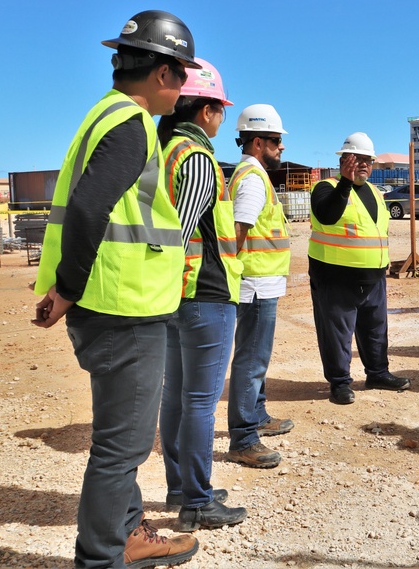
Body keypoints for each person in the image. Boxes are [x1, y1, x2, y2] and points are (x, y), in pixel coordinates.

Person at [32, 10, 200, 568]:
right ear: (161, 73)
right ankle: (101, 557)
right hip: (119, 307)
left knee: (117, 438)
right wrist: (70, 289)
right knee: (120, 447)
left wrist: (66, 288)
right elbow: (87, 207)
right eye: (181, 74)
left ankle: (126, 534)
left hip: (114, 305)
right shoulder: (129, 124)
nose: (184, 87)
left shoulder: (105, 116)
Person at [157, 59, 247, 531]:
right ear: (208, 110)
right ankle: (196, 499)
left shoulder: (166, 150)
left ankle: (180, 487)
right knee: (198, 400)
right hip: (202, 293)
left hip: (179, 294)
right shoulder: (195, 157)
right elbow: (178, 232)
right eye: (221, 110)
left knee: (177, 395)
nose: (221, 118)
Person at [309, 132, 411, 404]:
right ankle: (340, 382)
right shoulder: (326, 187)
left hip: (374, 276)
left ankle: (377, 373)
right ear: (344, 161)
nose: (363, 164)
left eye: (368, 160)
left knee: (376, 329)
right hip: (335, 276)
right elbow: (327, 216)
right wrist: (344, 181)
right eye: (357, 159)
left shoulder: (375, 193)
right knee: (337, 334)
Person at [226, 104, 293, 469]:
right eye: (275, 141)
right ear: (256, 142)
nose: (281, 147)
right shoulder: (252, 179)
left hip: (261, 282)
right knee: (251, 359)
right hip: (253, 284)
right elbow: (237, 233)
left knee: (257, 357)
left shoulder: (253, 175)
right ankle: (243, 437)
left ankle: (258, 414)